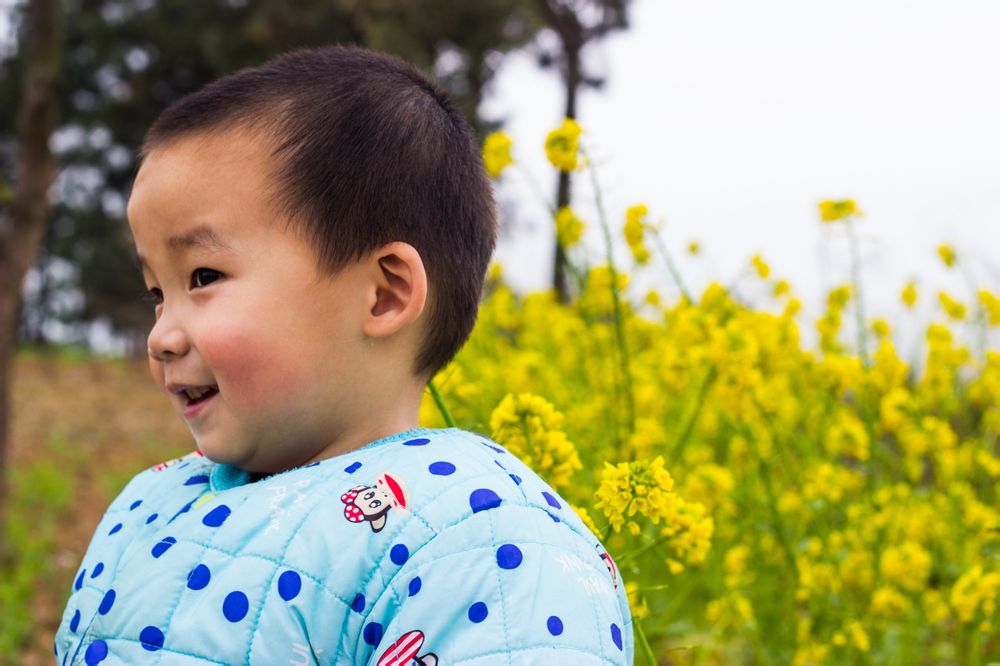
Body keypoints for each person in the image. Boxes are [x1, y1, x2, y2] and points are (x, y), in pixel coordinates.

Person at [55, 45, 633, 665]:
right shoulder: (148, 504)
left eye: (202, 277)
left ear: (384, 294)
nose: (161, 337)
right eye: (156, 294)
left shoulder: (479, 538)